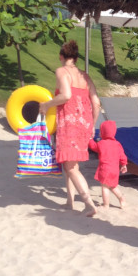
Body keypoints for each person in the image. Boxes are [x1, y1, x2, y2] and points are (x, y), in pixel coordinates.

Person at [40, 40, 101, 216]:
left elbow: (66, 95)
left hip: (70, 122)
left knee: (70, 167)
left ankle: (88, 204)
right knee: (71, 163)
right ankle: (70, 201)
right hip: (85, 122)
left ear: (61, 56)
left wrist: (46, 105)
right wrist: (92, 124)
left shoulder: (62, 71)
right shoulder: (85, 76)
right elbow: (96, 102)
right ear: (76, 58)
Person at [88, 120, 128, 209]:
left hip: (105, 169)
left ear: (103, 133)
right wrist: (124, 164)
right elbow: (122, 156)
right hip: (115, 169)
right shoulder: (117, 144)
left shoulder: (101, 143)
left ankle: (106, 205)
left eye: (101, 131)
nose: (99, 133)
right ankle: (121, 198)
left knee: (105, 187)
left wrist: (90, 139)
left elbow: (93, 146)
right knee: (112, 186)